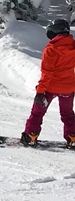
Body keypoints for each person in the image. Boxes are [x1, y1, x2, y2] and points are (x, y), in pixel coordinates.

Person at [22, 19, 75, 147]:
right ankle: (73, 137)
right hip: (68, 88)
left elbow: (47, 73)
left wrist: (40, 92)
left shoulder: (51, 49)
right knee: (67, 114)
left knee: (37, 112)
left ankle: (31, 136)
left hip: (49, 88)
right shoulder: (73, 46)